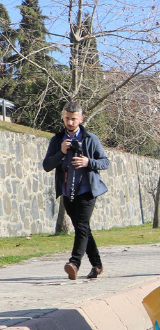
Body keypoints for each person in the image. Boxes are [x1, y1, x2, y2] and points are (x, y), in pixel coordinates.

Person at [42, 101, 109, 280]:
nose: (70, 122)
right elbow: (47, 165)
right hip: (67, 192)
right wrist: (62, 152)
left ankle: (74, 263)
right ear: (63, 117)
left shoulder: (91, 139)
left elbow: (105, 162)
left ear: (81, 118)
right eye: (67, 118)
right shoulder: (57, 140)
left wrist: (89, 162)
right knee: (84, 229)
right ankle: (97, 265)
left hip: (87, 192)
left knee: (81, 226)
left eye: (73, 119)